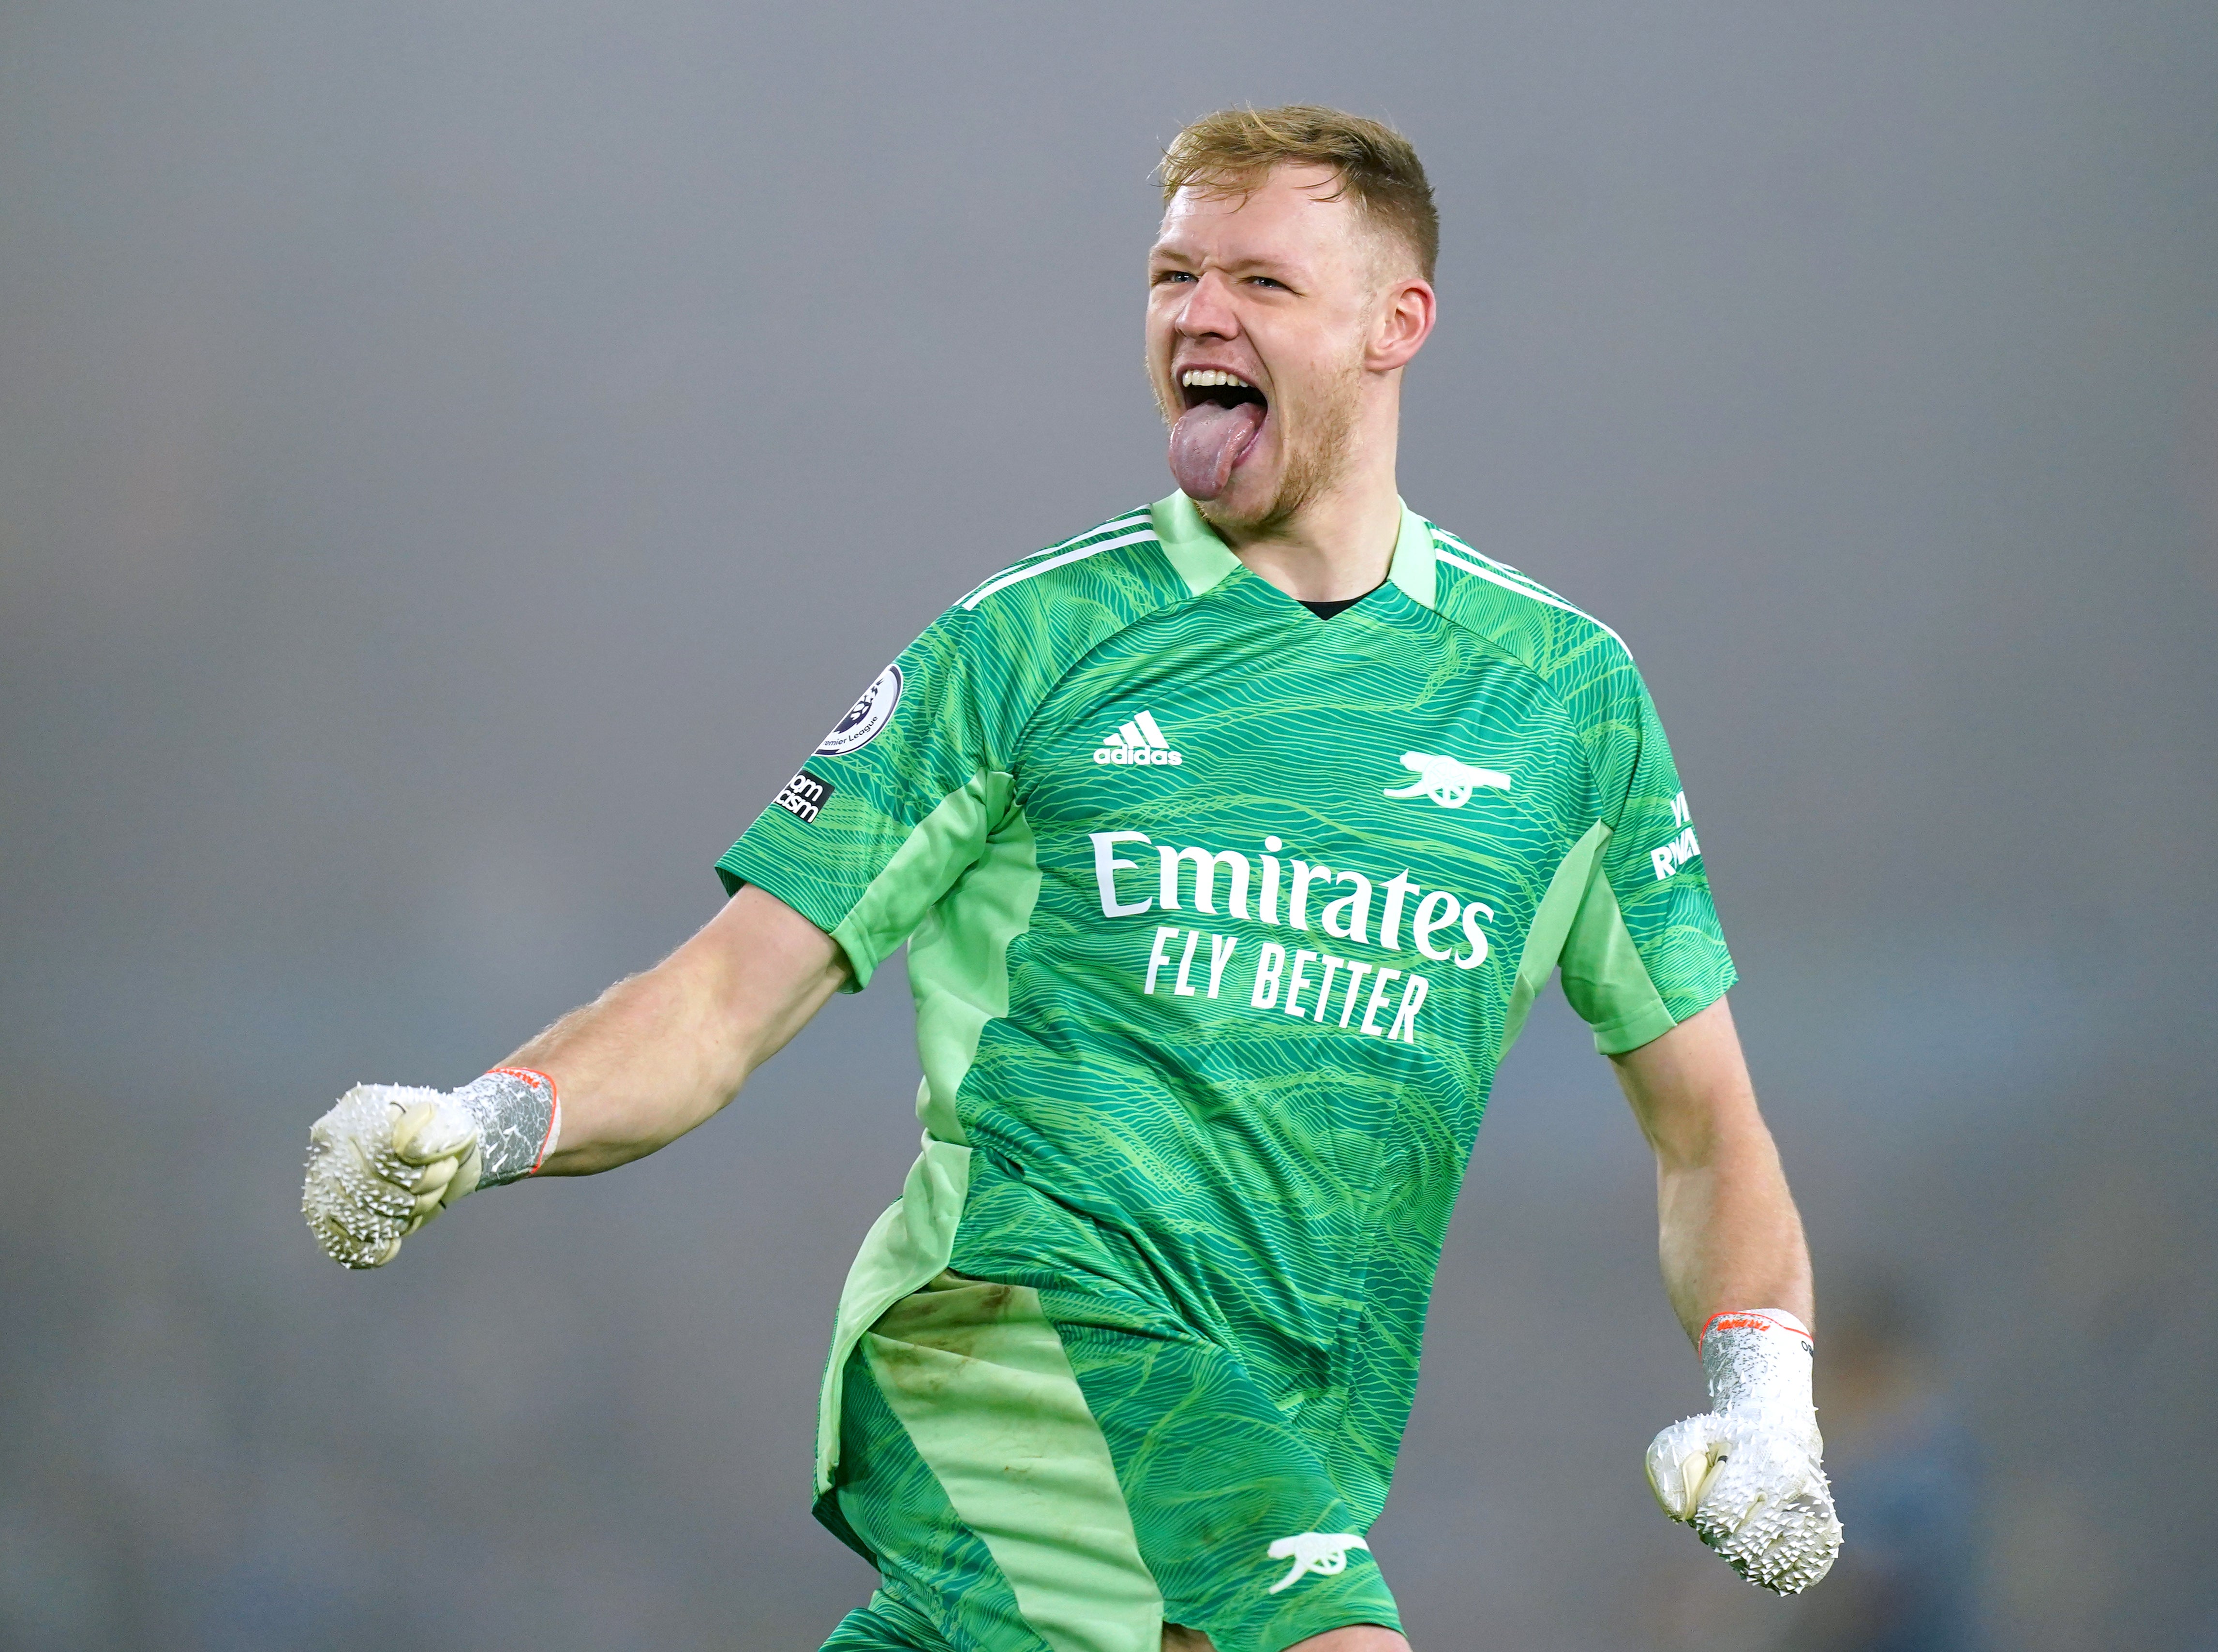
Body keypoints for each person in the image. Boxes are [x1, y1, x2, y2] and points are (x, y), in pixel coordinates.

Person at [301, 105, 1839, 1652]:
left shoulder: (1560, 698)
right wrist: (480, 1121)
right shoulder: (1028, 645)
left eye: (1261, 282)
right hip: (1013, 1337)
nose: (1197, 315)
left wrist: (1767, 1406)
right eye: (1172, 276)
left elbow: (1707, 1129)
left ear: (1397, 325)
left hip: (1294, 1419)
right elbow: (720, 1001)